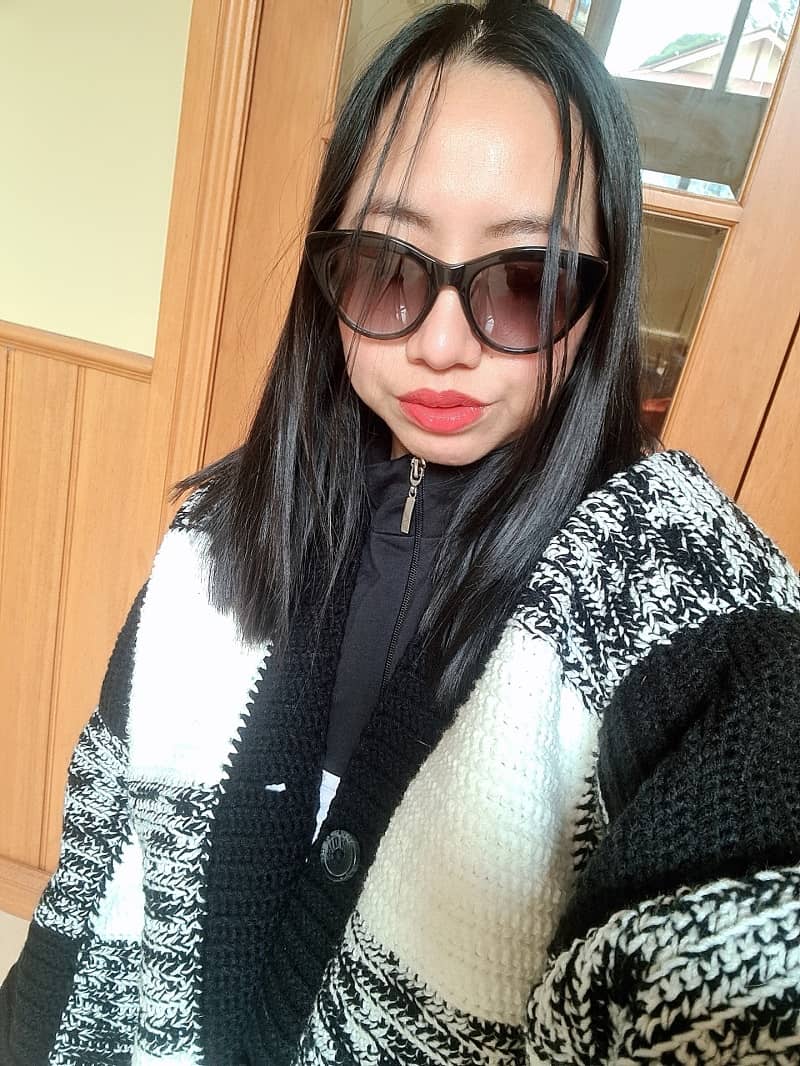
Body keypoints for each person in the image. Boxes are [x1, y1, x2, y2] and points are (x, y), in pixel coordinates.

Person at [3, 1, 799, 1063]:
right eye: (389, 264)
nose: (440, 343)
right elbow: (93, 868)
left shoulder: (671, 588)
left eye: (525, 281)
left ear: (599, 303)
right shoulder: (213, 539)